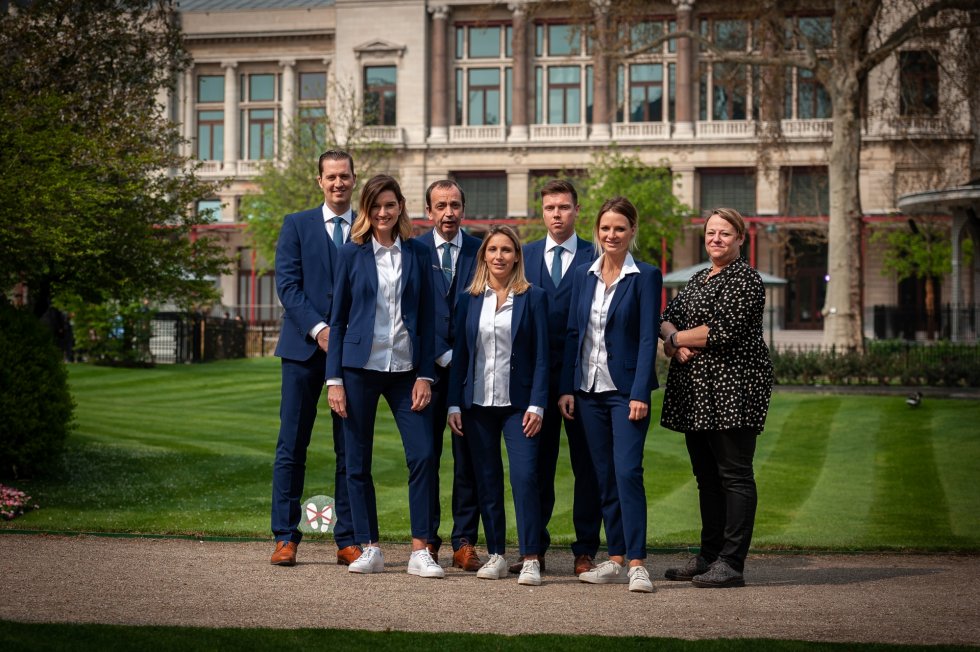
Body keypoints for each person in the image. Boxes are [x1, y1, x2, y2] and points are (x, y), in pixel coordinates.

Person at [326, 174, 442, 579]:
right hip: (358, 370)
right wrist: (334, 380)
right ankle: (370, 546)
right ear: (366, 209)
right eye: (375, 205)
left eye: (389, 204)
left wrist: (426, 375)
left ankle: (420, 549)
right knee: (356, 461)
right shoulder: (350, 254)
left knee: (424, 454)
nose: (382, 212)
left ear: (400, 208)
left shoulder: (417, 254)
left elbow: (427, 320)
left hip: (406, 371)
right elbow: (337, 321)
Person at [659, 207, 774, 589]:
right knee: (706, 477)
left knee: (735, 475)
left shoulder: (747, 280)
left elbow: (721, 331)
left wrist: (676, 340)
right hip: (697, 394)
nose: (716, 239)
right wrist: (674, 339)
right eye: (711, 233)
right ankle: (709, 556)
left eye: (725, 233)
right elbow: (664, 316)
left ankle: (732, 561)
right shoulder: (696, 279)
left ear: (740, 238)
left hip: (734, 391)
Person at [559, 197, 662, 594]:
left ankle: (637, 562)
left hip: (626, 394)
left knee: (627, 473)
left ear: (632, 230)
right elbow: (573, 334)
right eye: (605, 229)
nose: (611, 235)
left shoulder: (646, 276)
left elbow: (647, 336)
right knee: (603, 478)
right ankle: (615, 557)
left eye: (619, 228)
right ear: (597, 232)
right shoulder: (584, 274)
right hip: (587, 393)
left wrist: (639, 392)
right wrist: (566, 388)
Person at [269, 149, 360, 568]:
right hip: (304, 350)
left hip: (354, 356)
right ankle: (286, 536)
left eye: (344, 176)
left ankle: (348, 539)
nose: (338, 183)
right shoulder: (297, 225)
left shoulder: (366, 227)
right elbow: (287, 286)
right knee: (292, 445)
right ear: (319, 181)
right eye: (331, 177)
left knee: (350, 448)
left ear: (354, 180)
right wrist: (320, 330)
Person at [447, 225, 550, 586]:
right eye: (493, 250)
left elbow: (542, 357)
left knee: (524, 478)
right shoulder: (469, 298)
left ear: (517, 256)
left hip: (519, 406)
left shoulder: (533, 297)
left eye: (507, 250)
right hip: (476, 405)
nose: (499, 256)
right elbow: (461, 356)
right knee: (487, 481)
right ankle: (496, 554)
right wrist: (453, 405)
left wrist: (538, 404)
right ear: (484, 256)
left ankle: (532, 557)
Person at [518, 179, 602, 576]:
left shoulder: (597, 255)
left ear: (577, 210)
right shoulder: (524, 255)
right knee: (534, 468)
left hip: (583, 382)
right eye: (550, 208)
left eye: (564, 207)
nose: (557, 214)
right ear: (542, 211)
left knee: (586, 468)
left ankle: (585, 549)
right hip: (533, 383)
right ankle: (533, 548)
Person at [416, 179, 484, 571]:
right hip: (424, 372)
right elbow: (409, 313)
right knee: (425, 457)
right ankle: (425, 541)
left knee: (468, 460)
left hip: (469, 372)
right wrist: (434, 357)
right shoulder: (413, 250)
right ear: (429, 212)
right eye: (440, 205)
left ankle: (464, 542)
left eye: (455, 204)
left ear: (463, 208)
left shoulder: (480, 250)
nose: (448, 212)